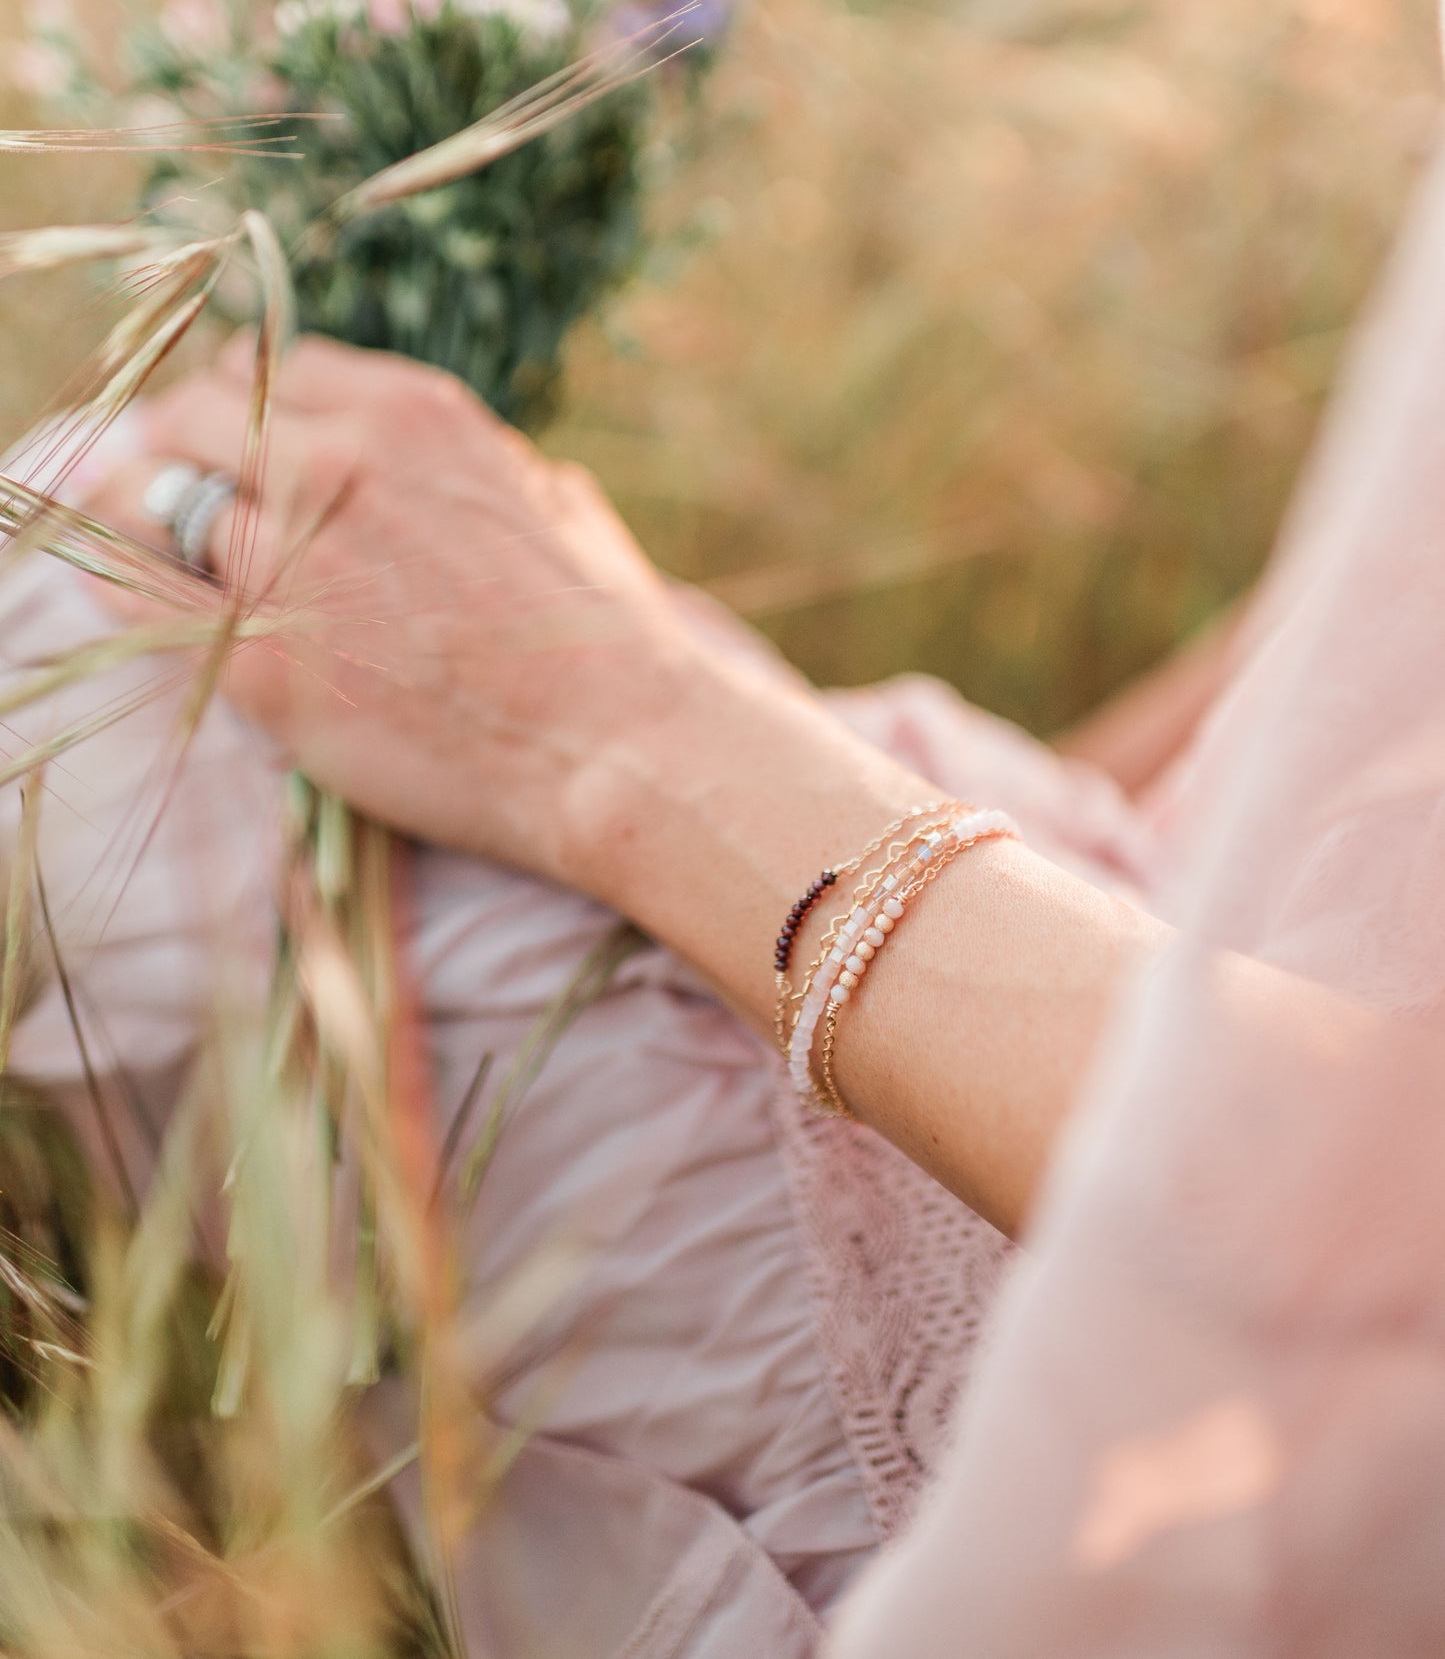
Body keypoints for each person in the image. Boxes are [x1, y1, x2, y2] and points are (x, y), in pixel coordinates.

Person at [76, 114, 1445, 1654]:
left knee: (104, 618)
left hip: (1172, 1391)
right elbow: (1318, 729)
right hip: (1047, 1005)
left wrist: (616, 727)